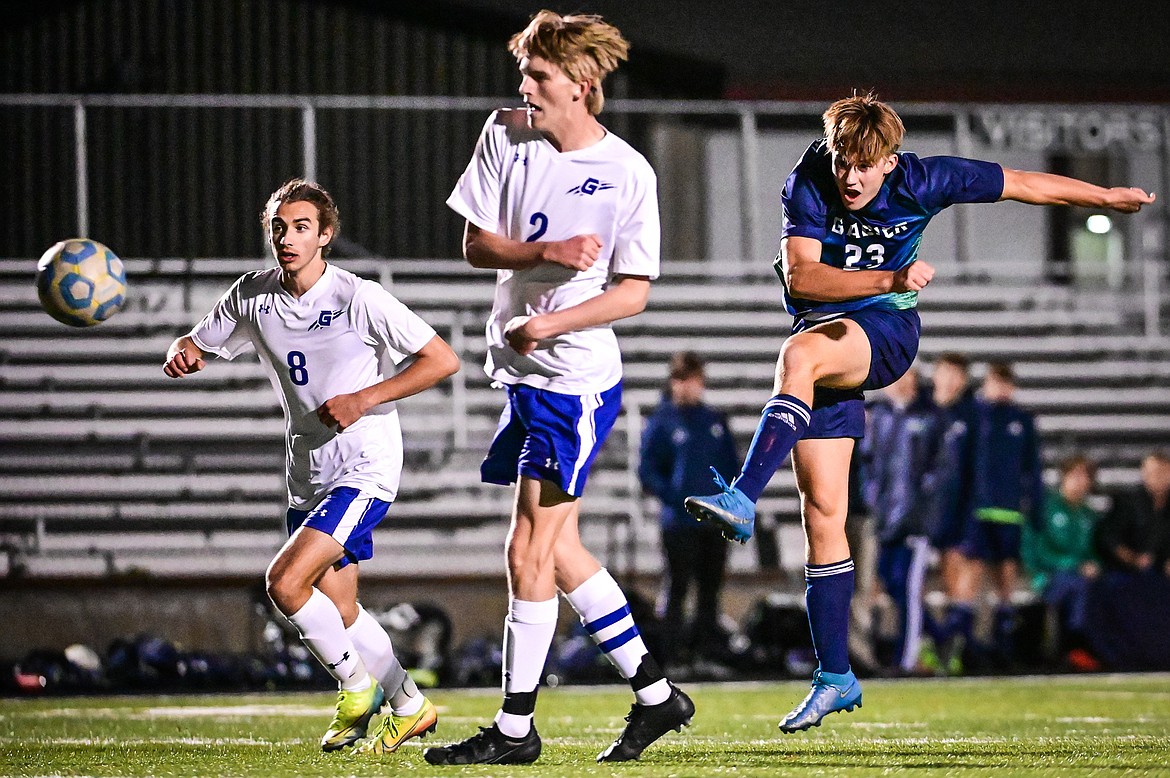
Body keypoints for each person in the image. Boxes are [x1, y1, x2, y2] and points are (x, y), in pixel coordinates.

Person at [684, 92, 1155, 732]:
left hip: (883, 337)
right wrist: (893, 276)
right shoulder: (809, 179)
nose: (850, 175)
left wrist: (1103, 198)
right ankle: (835, 678)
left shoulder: (924, 178)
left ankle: (741, 494)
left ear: (891, 160)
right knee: (824, 518)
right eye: (842, 159)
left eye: (864, 164)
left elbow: (1019, 182)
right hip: (834, 331)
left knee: (795, 357)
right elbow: (804, 281)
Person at [425, 10, 692, 766]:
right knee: (562, 549)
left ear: (582, 85)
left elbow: (633, 292)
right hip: (521, 376)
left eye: (539, 77)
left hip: (571, 386)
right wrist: (546, 251)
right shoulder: (505, 132)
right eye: (525, 75)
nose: (525, 89)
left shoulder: (628, 172)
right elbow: (476, 244)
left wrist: (551, 324)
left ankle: (514, 732)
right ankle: (656, 697)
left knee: (528, 552)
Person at [162, 179, 460, 754]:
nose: (288, 237)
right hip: (309, 469)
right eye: (278, 226)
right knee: (341, 610)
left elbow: (441, 359)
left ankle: (355, 688)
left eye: (301, 227)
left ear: (326, 235)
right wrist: (183, 352)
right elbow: (199, 342)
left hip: (366, 463)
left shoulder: (358, 296)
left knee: (285, 581)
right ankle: (408, 703)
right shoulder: (252, 294)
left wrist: (365, 397)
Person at [638, 351, 739, 668]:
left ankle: (707, 653)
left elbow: (731, 466)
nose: (687, 387)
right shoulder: (662, 422)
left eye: (692, 380)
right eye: (681, 380)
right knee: (677, 588)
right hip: (679, 523)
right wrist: (674, 497)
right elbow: (647, 469)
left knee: (710, 590)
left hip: (714, 522)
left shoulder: (714, 421)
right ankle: (672, 657)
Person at [961, 361, 1044, 668]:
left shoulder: (1022, 420)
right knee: (972, 573)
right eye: (997, 383)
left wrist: (1036, 508)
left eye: (1007, 384)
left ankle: (1003, 641)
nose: (1002, 390)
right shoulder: (974, 416)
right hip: (978, 510)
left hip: (1009, 512)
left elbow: (1032, 468)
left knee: (1006, 577)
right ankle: (970, 644)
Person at [860, 365, 939, 675]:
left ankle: (907, 659)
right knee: (891, 584)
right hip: (885, 519)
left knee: (907, 589)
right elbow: (870, 465)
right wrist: (873, 503)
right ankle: (936, 636)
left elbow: (934, 473)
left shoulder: (928, 418)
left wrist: (923, 513)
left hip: (913, 521)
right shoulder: (880, 417)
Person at [920, 352, 979, 673]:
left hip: (955, 511)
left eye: (958, 374)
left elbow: (975, 470)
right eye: (946, 373)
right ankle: (933, 637)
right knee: (903, 582)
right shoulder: (921, 409)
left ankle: (952, 649)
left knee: (955, 581)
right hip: (917, 512)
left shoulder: (971, 415)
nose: (951, 380)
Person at [1021, 455, 1101, 668]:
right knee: (1076, 585)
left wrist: (1094, 564)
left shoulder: (1089, 515)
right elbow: (1037, 550)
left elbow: (1095, 551)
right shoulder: (1046, 508)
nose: (1080, 481)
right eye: (1075, 475)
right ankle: (1073, 645)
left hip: (1077, 576)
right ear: (1063, 477)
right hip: (1046, 575)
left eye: (1085, 476)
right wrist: (1074, 565)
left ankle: (1087, 648)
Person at [1096, 451, 1170, 576]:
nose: (1157, 477)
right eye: (1152, 473)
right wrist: (1133, 559)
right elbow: (1110, 538)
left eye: (1163, 472)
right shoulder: (1126, 501)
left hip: (1161, 571)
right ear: (1144, 474)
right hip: (1125, 571)